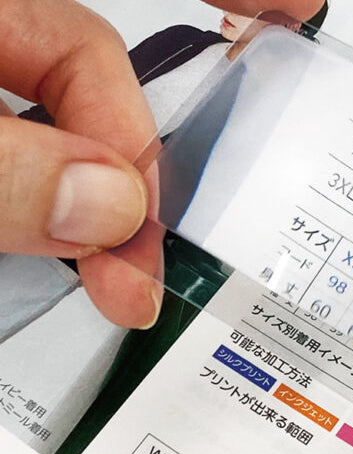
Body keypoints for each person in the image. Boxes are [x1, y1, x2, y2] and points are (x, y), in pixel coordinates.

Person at [0, 0, 326, 329]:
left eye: (255, 9)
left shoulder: (265, 113)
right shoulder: (182, 38)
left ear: (290, 27)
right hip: (41, 154)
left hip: (98, 237)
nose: (230, 11)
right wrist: (23, 129)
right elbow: (82, 83)